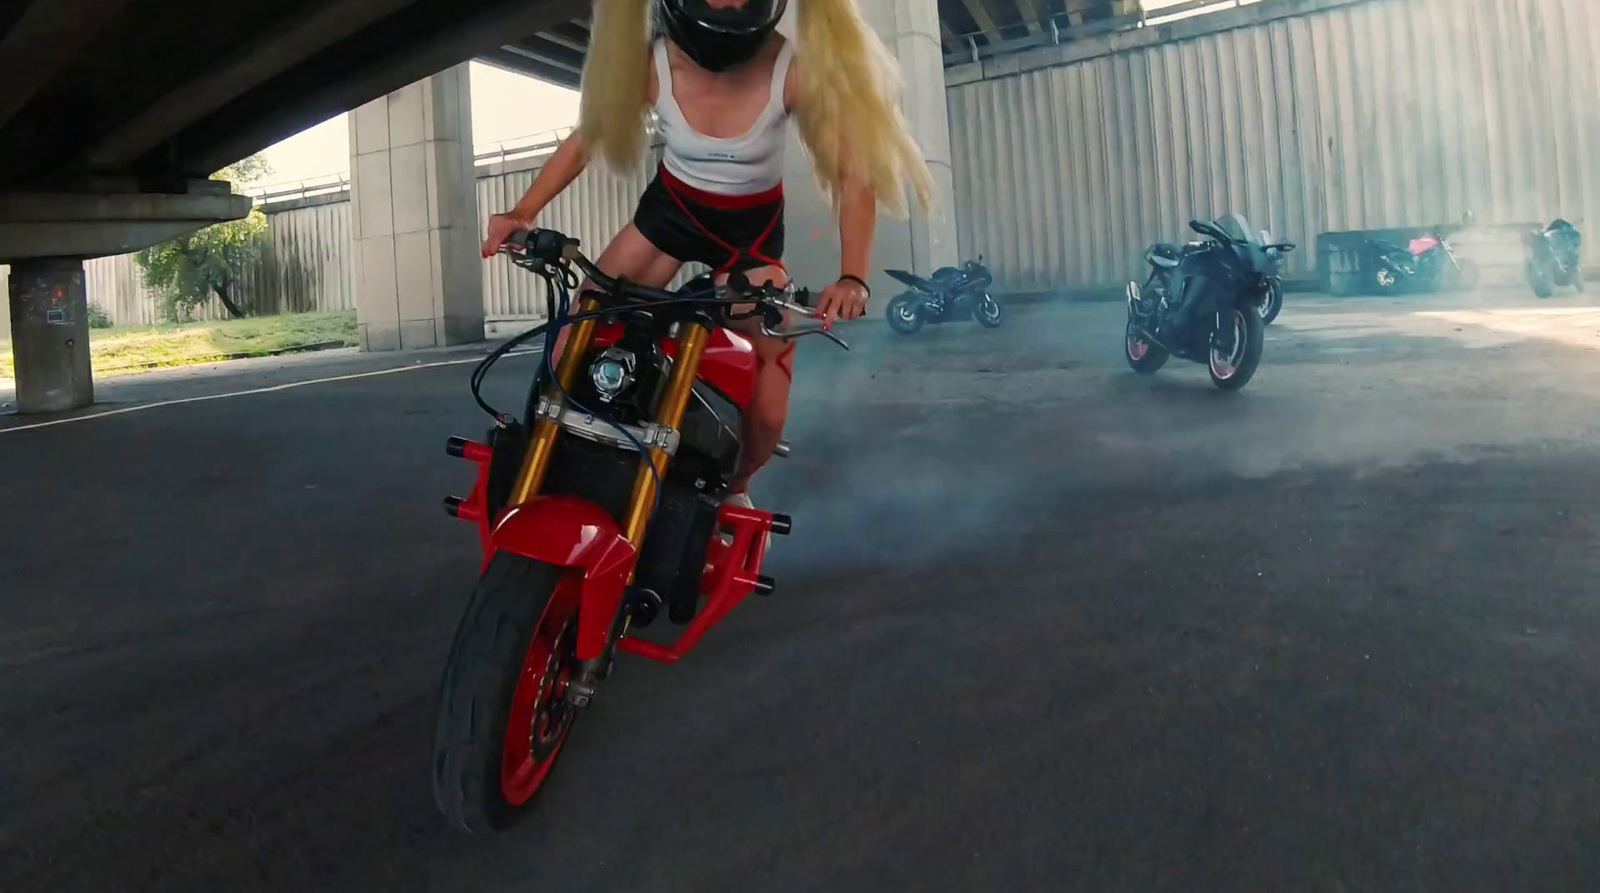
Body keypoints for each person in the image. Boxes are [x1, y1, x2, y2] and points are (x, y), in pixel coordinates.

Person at [481, 0, 932, 505]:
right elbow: (587, 139)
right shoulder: (650, 66)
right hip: (669, 217)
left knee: (767, 410)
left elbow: (855, 176)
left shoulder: (796, 70)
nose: (726, 4)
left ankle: (734, 488)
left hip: (750, 239)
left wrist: (854, 277)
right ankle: (543, 456)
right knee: (569, 344)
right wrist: (522, 213)